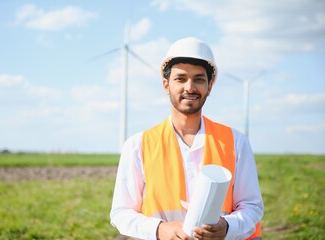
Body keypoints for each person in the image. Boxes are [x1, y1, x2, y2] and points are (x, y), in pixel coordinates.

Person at [110, 37, 264, 240]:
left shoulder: (235, 142)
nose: (189, 87)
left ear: (209, 86)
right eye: (180, 78)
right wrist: (159, 229)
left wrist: (227, 227)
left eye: (199, 79)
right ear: (166, 85)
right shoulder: (138, 146)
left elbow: (252, 206)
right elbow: (121, 213)